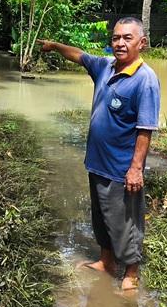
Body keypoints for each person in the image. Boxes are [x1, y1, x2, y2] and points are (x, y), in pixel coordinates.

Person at [39, 17, 160, 291]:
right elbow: (79, 56)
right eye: (116, 37)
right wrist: (55, 46)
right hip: (96, 162)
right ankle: (107, 262)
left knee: (125, 222)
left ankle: (131, 272)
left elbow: (145, 129)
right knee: (102, 217)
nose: (119, 43)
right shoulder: (105, 67)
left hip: (121, 168)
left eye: (127, 38)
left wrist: (136, 169)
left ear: (141, 43)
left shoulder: (145, 80)